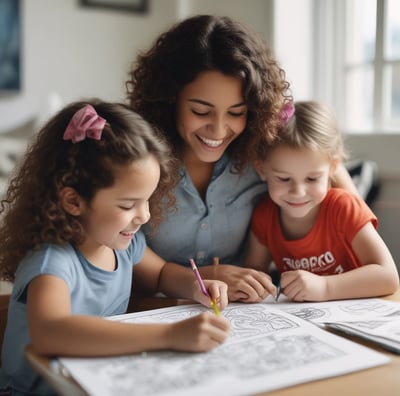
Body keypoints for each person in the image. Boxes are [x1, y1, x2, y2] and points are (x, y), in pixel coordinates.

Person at [0, 100, 230, 396]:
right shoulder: (52, 261)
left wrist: (195, 286)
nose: (144, 215)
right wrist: (170, 334)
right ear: (73, 201)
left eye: (147, 200)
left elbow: (160, 274)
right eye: (127, 204)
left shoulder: (123, 244)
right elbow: (50, 333)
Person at [126, 14, 358, 302]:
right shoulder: (136, 158)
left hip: (243, 309)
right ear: (169, 99)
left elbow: (337, 184)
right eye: (201, 111)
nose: (219, 130)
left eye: (236, 112)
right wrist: (202, 280)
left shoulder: (261, 153)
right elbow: (124, 244)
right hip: (153, 305)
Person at [245, 100, 399, 302]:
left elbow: (388, 277)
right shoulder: (264, 215)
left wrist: (326, 287)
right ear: (261, 169)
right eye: (284, 179)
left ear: (333, 167)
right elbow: (254, 272)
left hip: (357, 315)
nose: (298, 192)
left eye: (312, 179)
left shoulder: (344, 208)